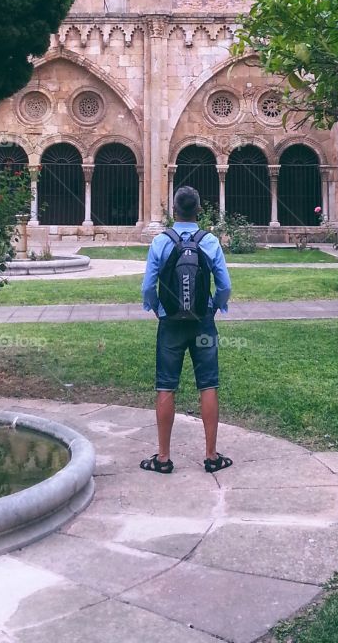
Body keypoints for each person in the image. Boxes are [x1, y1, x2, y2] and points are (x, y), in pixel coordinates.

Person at [139, 185, 232, 474]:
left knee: (166, 385)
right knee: (208, 384)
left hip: (171, 324)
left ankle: (164, 458)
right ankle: (211, 455)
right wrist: (214, 306)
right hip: (202, 321)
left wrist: (158, 309)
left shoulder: (161, 242)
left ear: (173, 211)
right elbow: (225, 286)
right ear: (199, 210)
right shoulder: (210, 241)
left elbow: (147, 288)